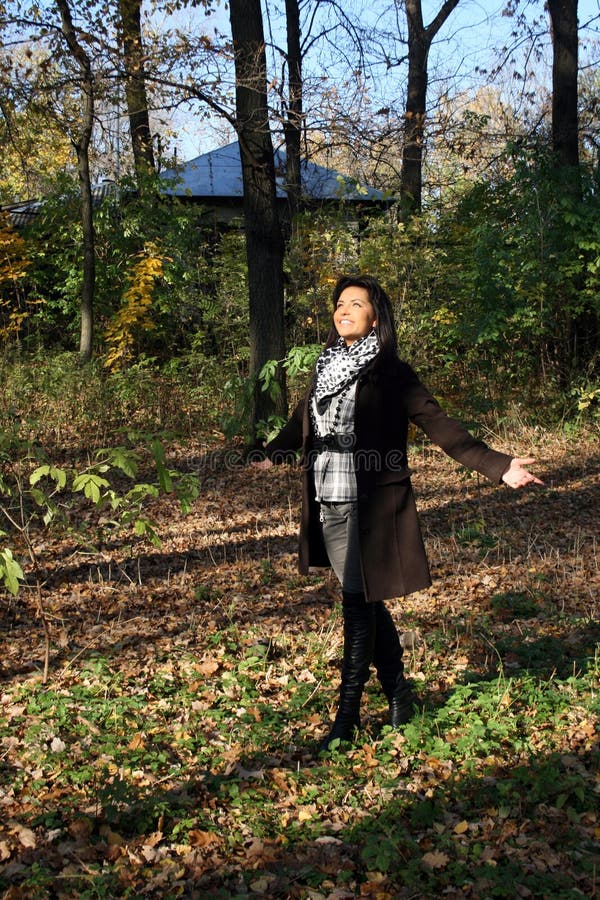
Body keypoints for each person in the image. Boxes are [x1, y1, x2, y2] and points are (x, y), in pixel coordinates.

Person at [253, 274, 543, 752]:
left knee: (355, 604)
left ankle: (346, 717)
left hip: (371, 503)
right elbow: (299, 423)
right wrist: (271, 452)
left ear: (375, 317)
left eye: (356, 303)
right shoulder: (325, 366)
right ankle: (400, 696)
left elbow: (439, 424)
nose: (343, 309)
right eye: (339, 303)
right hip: (326, 493)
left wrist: (497, 466)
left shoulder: (392, 372)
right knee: (364, 599)